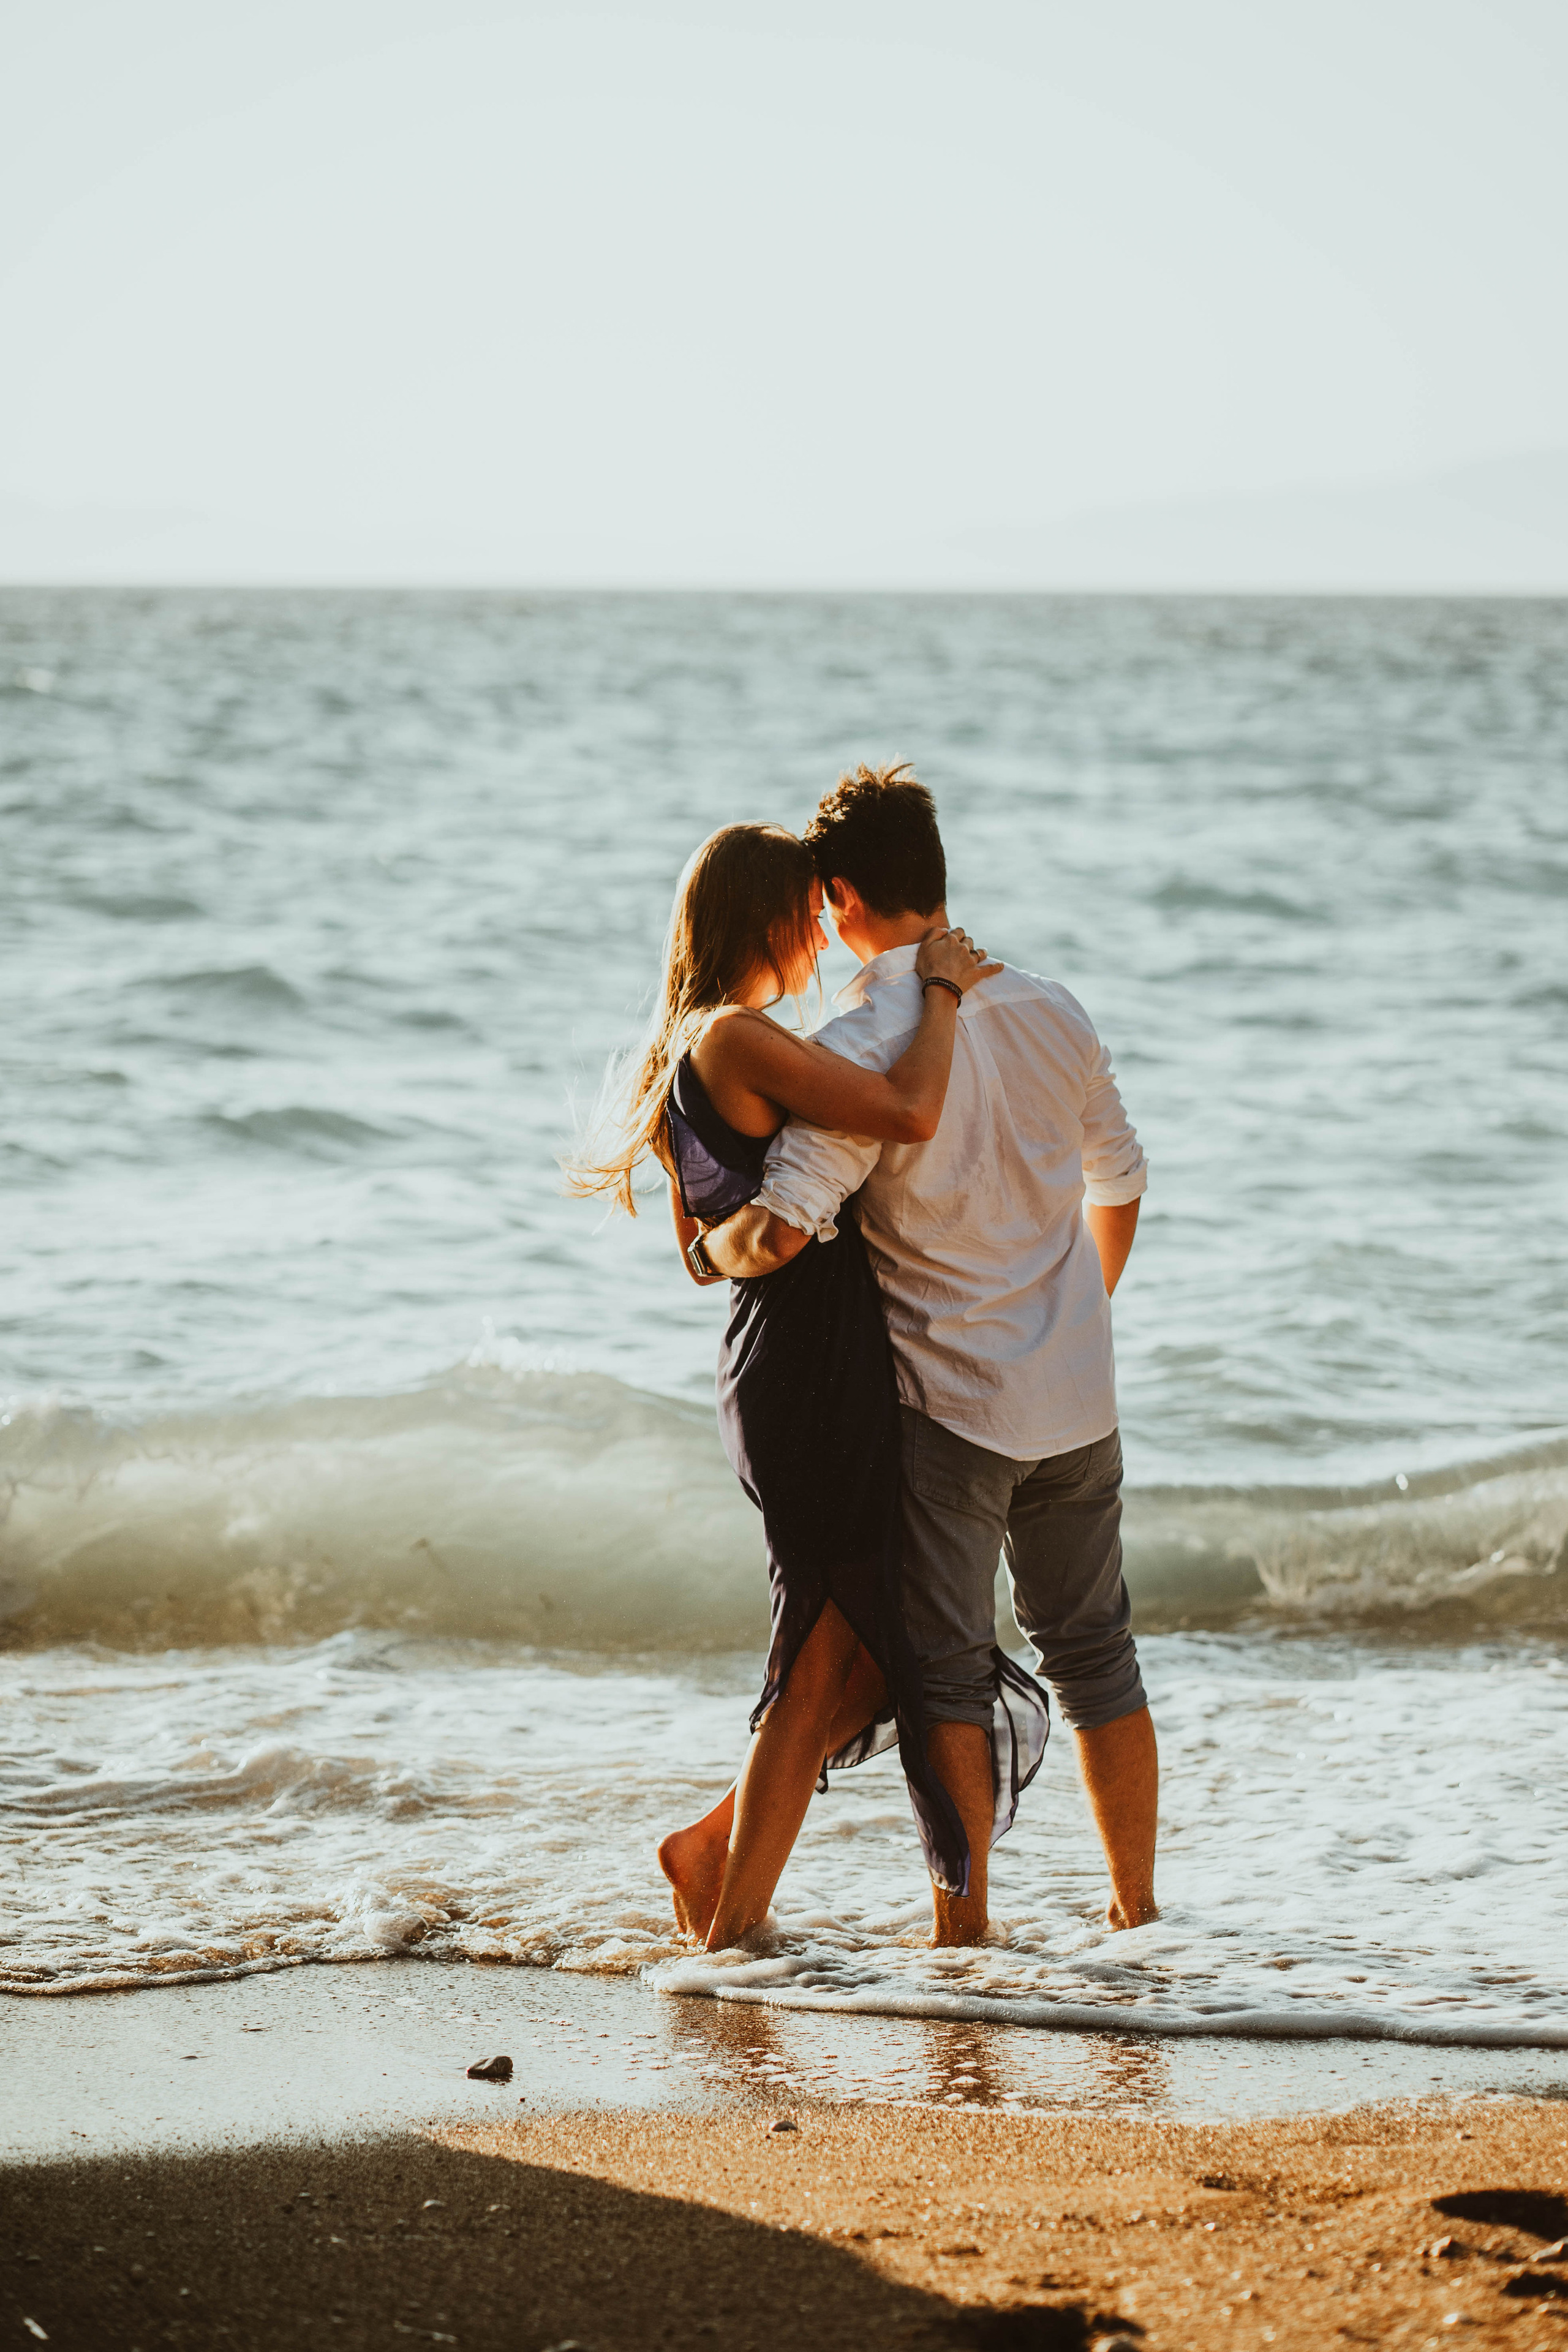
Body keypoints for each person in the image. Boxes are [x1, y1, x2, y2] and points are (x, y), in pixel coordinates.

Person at [702, 764, 1156, 1948]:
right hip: (1076, 1395)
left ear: (840, 895)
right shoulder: (1057, 1009)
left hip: (949, 1407)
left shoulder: (858, 1045)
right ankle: (1138, 1917)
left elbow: (793, 1216)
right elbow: (1124, 1177)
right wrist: (1080, 1307)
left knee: (950, 1676)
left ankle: (965, 1937)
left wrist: (710, 1253)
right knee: (1096, 1654)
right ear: (937, 878)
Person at [569, 820, 1003, 1950]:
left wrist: (746, 1246)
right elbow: (910, 1111)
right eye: (807, 912)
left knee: (864, 1654)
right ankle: (733, 1934)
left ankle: (713, 1851)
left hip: (788, 1358)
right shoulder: (738, 1041)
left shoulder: (698, 1047)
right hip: (808, 1373)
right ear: (763, 917)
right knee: (825, 1651)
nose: (822, 929)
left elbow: (698, 1246)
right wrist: (944, 990)